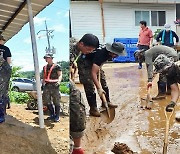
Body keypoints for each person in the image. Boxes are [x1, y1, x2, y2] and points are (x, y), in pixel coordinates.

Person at [77, 42, 126, 117]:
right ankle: (93, 109)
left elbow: (98, 65)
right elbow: (93, 73)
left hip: (95, 61)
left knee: (103, 81)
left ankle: (106, 102)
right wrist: (99, 88)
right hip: (84, 62)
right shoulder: (101, 54)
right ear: (111, 51)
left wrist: (99, 67)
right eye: (116, 54)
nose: (116, 56)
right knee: (89, 84)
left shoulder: (108, 54)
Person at [70, 34, 99, 154]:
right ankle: (77, 148)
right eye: (88, 49)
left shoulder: (78, 46)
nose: (89, 52)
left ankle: (76, 147)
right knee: (77, 102)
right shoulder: (70, 50)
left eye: (92, 50)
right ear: (81, 44)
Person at [153, 54, 180, 122]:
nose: (165, 73)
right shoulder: (169, 74)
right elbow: (175, 90)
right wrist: (172, 103)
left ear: (170, 65)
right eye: (163, 72)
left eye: (165, 71)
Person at [42, 53, 62, 122]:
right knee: (47, 101)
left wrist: (59, 82)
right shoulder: (44, 67)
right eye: (45, 58)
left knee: (56, 101)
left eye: (47, 58)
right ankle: (52, 114)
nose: (46, 59)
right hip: (47, 85)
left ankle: (57, 116)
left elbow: (60, 75)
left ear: (51, 58)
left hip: (55, 85)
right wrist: (43, 84)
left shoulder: (57, 66)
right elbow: (44, 76)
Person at [0, 34, 12, 123]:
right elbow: (9, 62)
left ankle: (2, 115)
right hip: (4, 73)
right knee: (3, 93)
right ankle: (2, 115)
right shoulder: (6, 49)